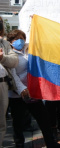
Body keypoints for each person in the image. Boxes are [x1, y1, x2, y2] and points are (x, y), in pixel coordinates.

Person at [7, 29, 60, 148]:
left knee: (44, 119)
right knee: (18, 123)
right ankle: (19, 145)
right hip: (18, 95)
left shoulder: (28, 51)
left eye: (22, 39)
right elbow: (13, 75)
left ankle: (51, 143)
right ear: (11, 42)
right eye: (16, 39)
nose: (20, 41)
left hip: (33, 92)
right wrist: (22, 89)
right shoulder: (10, 55)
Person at [0, 17, 18, 146]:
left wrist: (3, 57)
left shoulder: (4, 44)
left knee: (1, 122)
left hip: (2, 84)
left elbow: (14, 61)